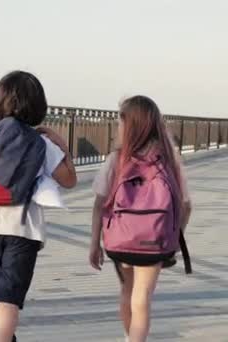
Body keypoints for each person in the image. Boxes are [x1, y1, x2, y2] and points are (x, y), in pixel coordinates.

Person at [0, 71, 77, 342]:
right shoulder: (43, 142)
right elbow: (69, 180)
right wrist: (62, 145)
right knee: (9, 300)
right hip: (22, 228)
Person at [90, 96, 192, 342]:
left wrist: (94, 243)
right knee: (142, 296)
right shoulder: (168, 159)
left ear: (129, 126)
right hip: (155, 240)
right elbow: (186, 205)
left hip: (121, 239)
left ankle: (129, 336)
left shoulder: (117, 159)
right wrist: (175, 238)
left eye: (119, 123)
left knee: (127, 291)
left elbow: (99, 203)